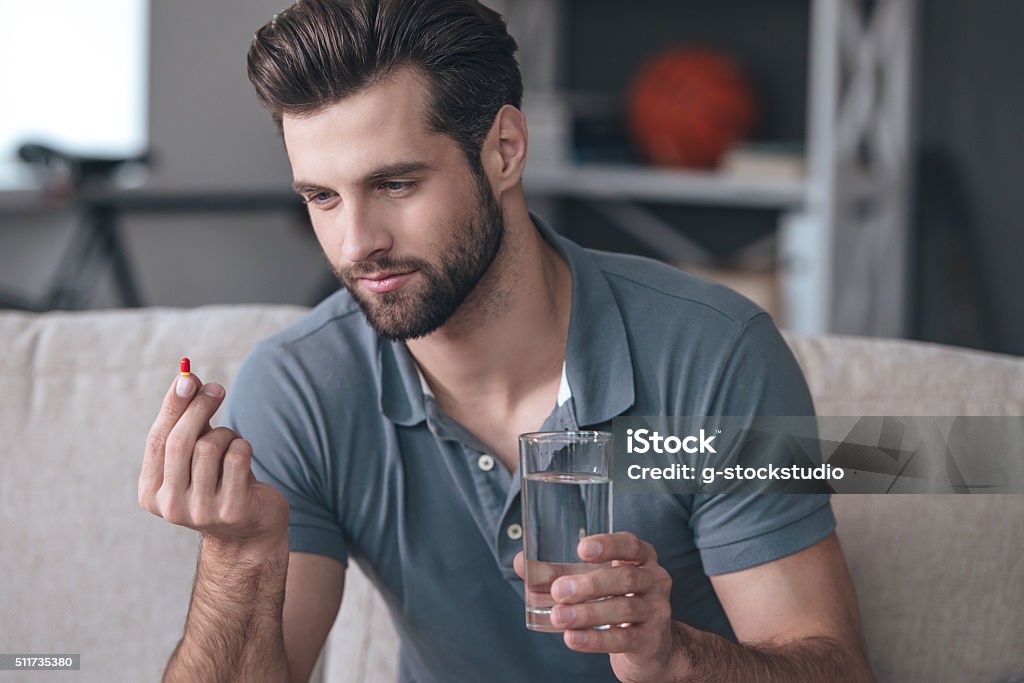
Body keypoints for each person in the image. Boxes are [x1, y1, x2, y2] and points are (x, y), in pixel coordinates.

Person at [137, 1, 873, 681]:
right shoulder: (302, 385)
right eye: (323, 197)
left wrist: (674, 654)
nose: (357, 244)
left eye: (396, 184)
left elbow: (833, 666)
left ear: (505, 150)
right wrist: (241, 557)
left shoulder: (713, 355)